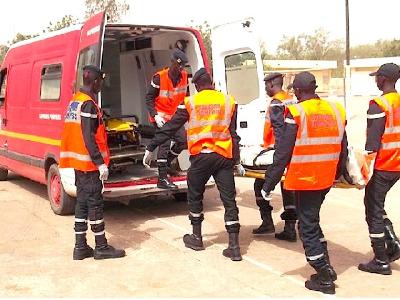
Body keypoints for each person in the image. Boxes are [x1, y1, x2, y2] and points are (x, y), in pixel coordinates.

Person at [143, 68, 244, 261]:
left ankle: (197, 238)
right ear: (212, 84)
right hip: (224, 157)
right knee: (229, 201)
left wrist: (151, 147)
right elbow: (233, 134)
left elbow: (170, 127)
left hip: (201, 158)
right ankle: (234, 247)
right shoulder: (229, 101)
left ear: (196, 86)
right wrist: (237, 161)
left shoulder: (190, 102)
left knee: (195, 196)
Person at [261, 71, 349, 294]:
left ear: (298, 91)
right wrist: (339, 174)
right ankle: (326, 264)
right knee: (313, 220)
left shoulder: (297, 112)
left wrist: (269, 183)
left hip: (306, 178)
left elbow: (283, 151)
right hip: (326, 177)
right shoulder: (336, 109)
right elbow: (343, 145)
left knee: (307, 227)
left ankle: (324, 276)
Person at [60, 65, 125, 260]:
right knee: (95, 205)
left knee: (82, 204)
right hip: (89, 165)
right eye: (101, 81)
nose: (101, 85)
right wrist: (100, 163)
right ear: (96, 81)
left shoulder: (75, 101)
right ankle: (101, 247)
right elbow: (89, 137)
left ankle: (80, 247)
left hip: (79, 164)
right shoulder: (88, 104)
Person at [358, 63, 400, 275]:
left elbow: (372, 144)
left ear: (383, 79)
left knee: (373, 208)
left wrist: (359, 171)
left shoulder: (379, 104)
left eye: (377, 77)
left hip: (386, 164)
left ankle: (381, 259)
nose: (376, 80)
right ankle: (392, 244)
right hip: (397, 165)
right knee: (375, 203)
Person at [252, 72, 297, 242]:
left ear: (271, 84)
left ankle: (267, 222)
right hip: (291, 151)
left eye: (266, 85)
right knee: (288, 189)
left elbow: (279, 131)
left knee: (259, 184)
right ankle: (290, 228)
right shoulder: (291, 99)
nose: (265, 89)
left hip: (276, 152)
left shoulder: (276, 103)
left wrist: (279, 156)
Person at [145, 48, 189, 189]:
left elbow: (185, 97)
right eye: (178, 64)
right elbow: (149, 98)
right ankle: (162, 179)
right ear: (172, 62)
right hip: (161, 117)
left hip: (176, 117)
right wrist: (155, 115)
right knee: (164, 144)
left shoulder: (184, 76)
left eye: (183, 65)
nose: (181, 68)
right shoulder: (159, 77)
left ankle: (167, 163)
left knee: (183, 141)